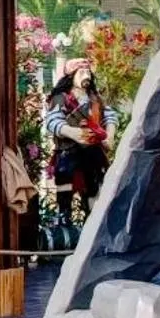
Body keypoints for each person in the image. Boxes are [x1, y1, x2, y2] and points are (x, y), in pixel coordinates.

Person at [43, 57, 109, 222]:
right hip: (69, 149)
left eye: (88, 72)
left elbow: (109, 116)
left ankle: (92, 215)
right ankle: (64, 213)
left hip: (92, 150)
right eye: (81, 72)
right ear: (71, 76)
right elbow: (53, 120)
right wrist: (71, 132)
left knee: (93, 182)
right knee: (64, 176)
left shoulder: (95, 99)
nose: (86, 75)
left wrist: (110, 134)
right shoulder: (61, 98)